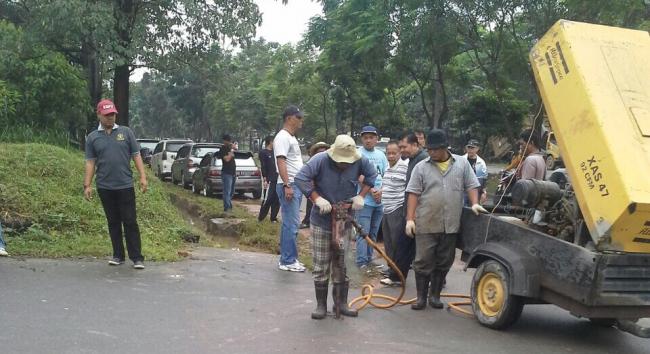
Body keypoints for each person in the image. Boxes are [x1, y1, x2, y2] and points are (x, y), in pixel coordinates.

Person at [294, 134, 377, 319]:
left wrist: (361, 196)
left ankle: (341, 303)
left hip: (345, 219)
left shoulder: (360, 160)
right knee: (321, 264)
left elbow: (372, 176)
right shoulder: (320, 159)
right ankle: (321, 305)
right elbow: (300, 178)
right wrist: (316, 198)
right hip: (322, 219)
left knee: (342, 263)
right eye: (341, 162)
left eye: (347, 163)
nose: (344, 165)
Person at [405, 129, 486, 310]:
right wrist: (410, 219)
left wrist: (474, 203)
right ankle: (420, 298)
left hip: (450, 224)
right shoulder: (421, 167)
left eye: (435, 149)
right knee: (423, 261)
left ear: (444, 148)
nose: (431, 153)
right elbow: (413, 193)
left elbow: (472, 185)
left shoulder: (462, 164)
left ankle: (434, 296)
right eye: (429, 149)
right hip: (426, 222)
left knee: (444, 261)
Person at [84, 99, 147, 269]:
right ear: (99, 115)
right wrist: (87, 185)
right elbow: (90, 162)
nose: (110, 117)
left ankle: (137, 257)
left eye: (112, 114)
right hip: (105, 186)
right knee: (113, 221)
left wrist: (143, 177)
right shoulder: (92, 138)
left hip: (125, 185)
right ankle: (118, 255)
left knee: (130, 221)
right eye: (106, 115)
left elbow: (136, 155)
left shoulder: (126, 133)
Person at [385, 132, 429, 284]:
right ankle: (397, 275)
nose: (401, 150)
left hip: (420, 212)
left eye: (404, 147)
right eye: (400, 147)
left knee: (423, 248)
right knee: (404, 245)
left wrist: (414, 214)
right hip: (409, 211)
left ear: (415, 145)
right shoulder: (412, 159)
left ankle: (435, 280)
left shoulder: (423, 161)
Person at [274, 105, 306, 272]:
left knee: (293, 223)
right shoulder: (283, 137)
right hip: (289, 184)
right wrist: (287, 184)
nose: (301, 120)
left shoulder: (291, 137)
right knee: (291, 224)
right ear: (289, 118)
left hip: (295, 184)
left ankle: (290, 258)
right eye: (298, 117)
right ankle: (287, 260)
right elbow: (281, 161)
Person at [355, 125, 388, 270]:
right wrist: (371, 191)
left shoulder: (381, 155)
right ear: (362, 139)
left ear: (376, 139)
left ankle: (369, 259)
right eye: (365, 138)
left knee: (374, 232)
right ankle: (361, 261)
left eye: (371, 137)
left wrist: (381, 191)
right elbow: (357, 176)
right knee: (363, 232)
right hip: (364, 200)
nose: (368, 140)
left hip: (379, 201)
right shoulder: (357, 154)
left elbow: (385, 174)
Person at [378, 141, 409, 286]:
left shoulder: (405, 167)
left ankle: (397, 276)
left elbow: (409, 189)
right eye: (388, 153)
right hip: (386, 208)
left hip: (398, 209)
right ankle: (391, 269)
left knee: (397, 244)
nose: (390, 156)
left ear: (399, 153)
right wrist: (381, 192)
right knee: (388, 243)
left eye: (393, 153)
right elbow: (387, 186)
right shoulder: (387, 168)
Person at [300, 142, 331, 229]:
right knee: (311, 206)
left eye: (324, 152)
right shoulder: (312, 163)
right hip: (314, 191)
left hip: (328, 193)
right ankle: (307, 221)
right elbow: (304, 178)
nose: (322, 154)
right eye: (319, 152)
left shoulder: (331, 164)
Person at [258, 136, 280, 222]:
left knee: (277, 199)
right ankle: (261, 217)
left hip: (277, 178)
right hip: (269, 179)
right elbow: (263, 166)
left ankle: (273, 217)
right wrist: (265, 178)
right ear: (270, 142)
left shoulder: (276, 152)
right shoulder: (263, 153)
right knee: (268, 198)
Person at [463, 139, 488, 204]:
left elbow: (484, 179)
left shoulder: (481, 163)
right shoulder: (461, 160)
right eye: (469, 147)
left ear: (477, 149)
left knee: (474, 211)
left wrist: (484, 193)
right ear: (466, 148)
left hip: (476, 192)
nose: (470, 150)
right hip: (462, 191)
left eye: (472, 148)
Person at [215, 134, 236, 212]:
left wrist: (233, 148)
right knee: (227, 191)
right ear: (225, 141)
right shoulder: (223, 149)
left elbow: (236, 148)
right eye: (228, 141)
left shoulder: (230, 148)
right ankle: (227, 207)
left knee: (232, 191)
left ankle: (229, 205)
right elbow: (227, 159)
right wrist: (231, 151)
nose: (230, 143)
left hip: (233, 172)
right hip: (226, 173)